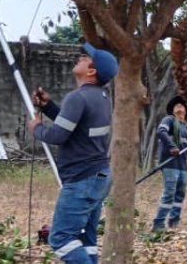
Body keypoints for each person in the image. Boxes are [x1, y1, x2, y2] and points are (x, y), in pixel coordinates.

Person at [29, 42, 118, 264]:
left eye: (87, 57)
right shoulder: (102, 97)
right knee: (86, 239)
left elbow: (58, 136)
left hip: (83, 180)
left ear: (91, 71)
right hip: (100, 177)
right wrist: (49, 107)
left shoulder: (77, 97)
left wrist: (36, 128)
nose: (81, 57)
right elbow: (75, 125)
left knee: (60, 238)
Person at [152, 95, 187, 231]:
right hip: (169, 164)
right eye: (176, 106)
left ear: (185, 111)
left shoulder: (186, 129)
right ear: (172, 110)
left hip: (182, 166)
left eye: (181, 106)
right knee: (169, 193)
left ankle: (174, 221)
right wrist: (172, 146)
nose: (179, 108)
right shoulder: (169, 120)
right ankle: (158, 223)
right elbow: (161, 131)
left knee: (180, 194)